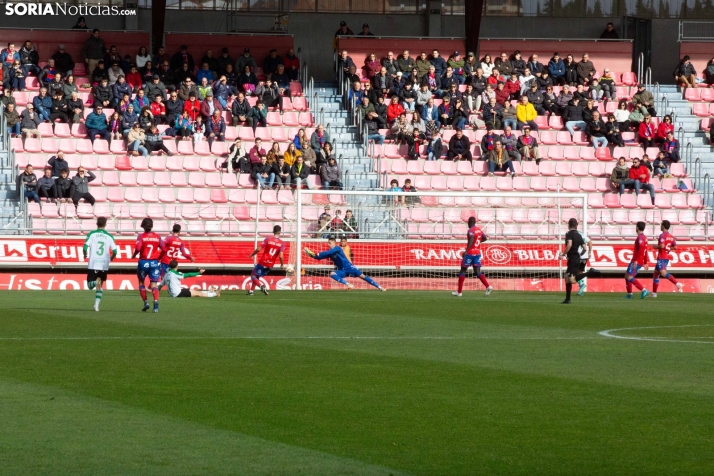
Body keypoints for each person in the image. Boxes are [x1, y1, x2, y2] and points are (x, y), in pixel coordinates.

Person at [305, 238, 385, 291]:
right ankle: (348, 284)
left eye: (330, 243)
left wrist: (317, 253)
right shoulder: (330, 252)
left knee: (363, 276)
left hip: (350, 267)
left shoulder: (337, 248)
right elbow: (319, 258)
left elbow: (327, 252)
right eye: (328, 243)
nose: (328, 244)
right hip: (342, 270)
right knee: (332, 273)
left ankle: (379, 287)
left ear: (334, 243)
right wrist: (312, 255)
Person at [558, 218, 599, 304]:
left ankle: (590, 272)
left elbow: (569, 244)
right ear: (577, 225)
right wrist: (580, 255)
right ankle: (567, 299)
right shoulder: (579, 235)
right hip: (575, 258)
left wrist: (563, 254)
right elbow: (584, 248)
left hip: (573, 259)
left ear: (568, 225)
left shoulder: (569, 233)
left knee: (572, 280)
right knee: (567, 278)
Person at [82, 217, 117, 312]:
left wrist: (85, 254)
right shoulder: (110, 236)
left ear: (96, 223)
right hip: (103, 265)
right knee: (100, 286)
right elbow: (115, 251)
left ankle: (95, 283)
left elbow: (85, 247)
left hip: (93, 263)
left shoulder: (92, 234)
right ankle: (96, 306)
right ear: (105, 224)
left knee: (90, 286)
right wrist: (112, 258)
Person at [452, 216, 492, 297]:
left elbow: (472, 238)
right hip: (477, 253)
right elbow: (485, 238)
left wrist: (466, 251)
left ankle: (459, 292)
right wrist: (477, 243)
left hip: (470, 253)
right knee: (477, 272)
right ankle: (488, 286)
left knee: (463, 271)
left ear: (469, 222)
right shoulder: (479, 230)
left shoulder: (471, 230)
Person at [132, 217, 164, 312]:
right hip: (154, 262)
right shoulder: (157, 237)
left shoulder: (141, 236)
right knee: (154, 284)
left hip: (143, 262)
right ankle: (156, 303)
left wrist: (134, 255)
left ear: (143, 226)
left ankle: (146, 302)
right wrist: (158, 258)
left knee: (141, 282)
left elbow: (138, 248)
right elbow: (164, 249)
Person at [246, 225, 285, 296]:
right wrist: (282, 265)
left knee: (253, 275)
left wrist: (252, 254)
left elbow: (258, 249)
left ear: (273, 231)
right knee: (257, 276)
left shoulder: (268, 239)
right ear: (280, 232)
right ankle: (251, 291)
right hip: (270, 265)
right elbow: (281, 256)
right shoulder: (282, 243)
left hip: (263, 262)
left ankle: (261, 286)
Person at [651, 220, 684, 298]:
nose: (660, 226)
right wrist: (669, 248)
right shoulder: (671, 236)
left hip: (662, 257)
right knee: (656, 274)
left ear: (663, 226)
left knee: (662, 273)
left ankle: (677, 284)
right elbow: (675, 247)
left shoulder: (662, 235)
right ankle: (654, 294)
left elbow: (662, 246)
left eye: (661, 224)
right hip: (666, 257)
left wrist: (655, 246)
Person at [624, 221, 650, 299]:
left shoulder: (640, 238)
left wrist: (636, 260)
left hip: (636, 260)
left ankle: (643, 290)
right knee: (627, 275)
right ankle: (630, 294)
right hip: (639, 260)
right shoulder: (644, 237)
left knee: (629, 276)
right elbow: (646, 251)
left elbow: (641, 250)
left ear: (637, 227)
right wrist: (645, 262)